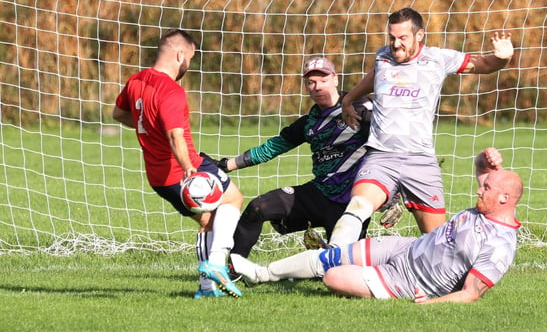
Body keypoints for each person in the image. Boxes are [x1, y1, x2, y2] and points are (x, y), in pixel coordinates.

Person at [231, 148, 523, 304]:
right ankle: (260, 274)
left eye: (486, 189)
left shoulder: (500, 245)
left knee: (333, 277)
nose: (478, 190)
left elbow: (471, 294)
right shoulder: (488, 206)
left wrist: (429, 304)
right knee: (331, 257)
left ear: (505, 198)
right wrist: (485, 157)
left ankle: (339, 274)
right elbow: (484, 170)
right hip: (404, 248)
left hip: (407, 282)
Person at [328, 7, 515, 247]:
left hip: (421, 161)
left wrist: (503, 58)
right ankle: (329, 260)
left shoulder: (438, 58)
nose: (395, 45)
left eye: (402, 38)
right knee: (358, 206)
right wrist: (348, 98)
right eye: (392, 38)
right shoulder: (383, 56)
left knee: (437, 244)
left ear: (419, 35)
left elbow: (486, 65)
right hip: (381, 156)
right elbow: (375, 76)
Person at [112, 29, 244, 299]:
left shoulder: (136, 81)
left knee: (208, 219)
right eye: (190, 59)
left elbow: (119, 113)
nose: (188, 65)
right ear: (180, 54)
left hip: (159, 176)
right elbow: (174, 135)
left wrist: (148, 129)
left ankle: (207, 287)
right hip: (182, 168)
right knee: (233, 199)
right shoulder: (171, 91)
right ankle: (217, 265)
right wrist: (189, 169)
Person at [215, 57, 374, 260]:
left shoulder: (360, 108)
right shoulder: (309, 123)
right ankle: (231, 270)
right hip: (319, 194)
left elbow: (388, 147)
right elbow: (273, 147)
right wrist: (226, 165)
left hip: (352, 202)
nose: (317, 87)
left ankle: (327, 254)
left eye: (323, 80)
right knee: (258, 208)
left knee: (341, 269)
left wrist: (393, 194)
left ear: (335, 79)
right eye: (311, 82)